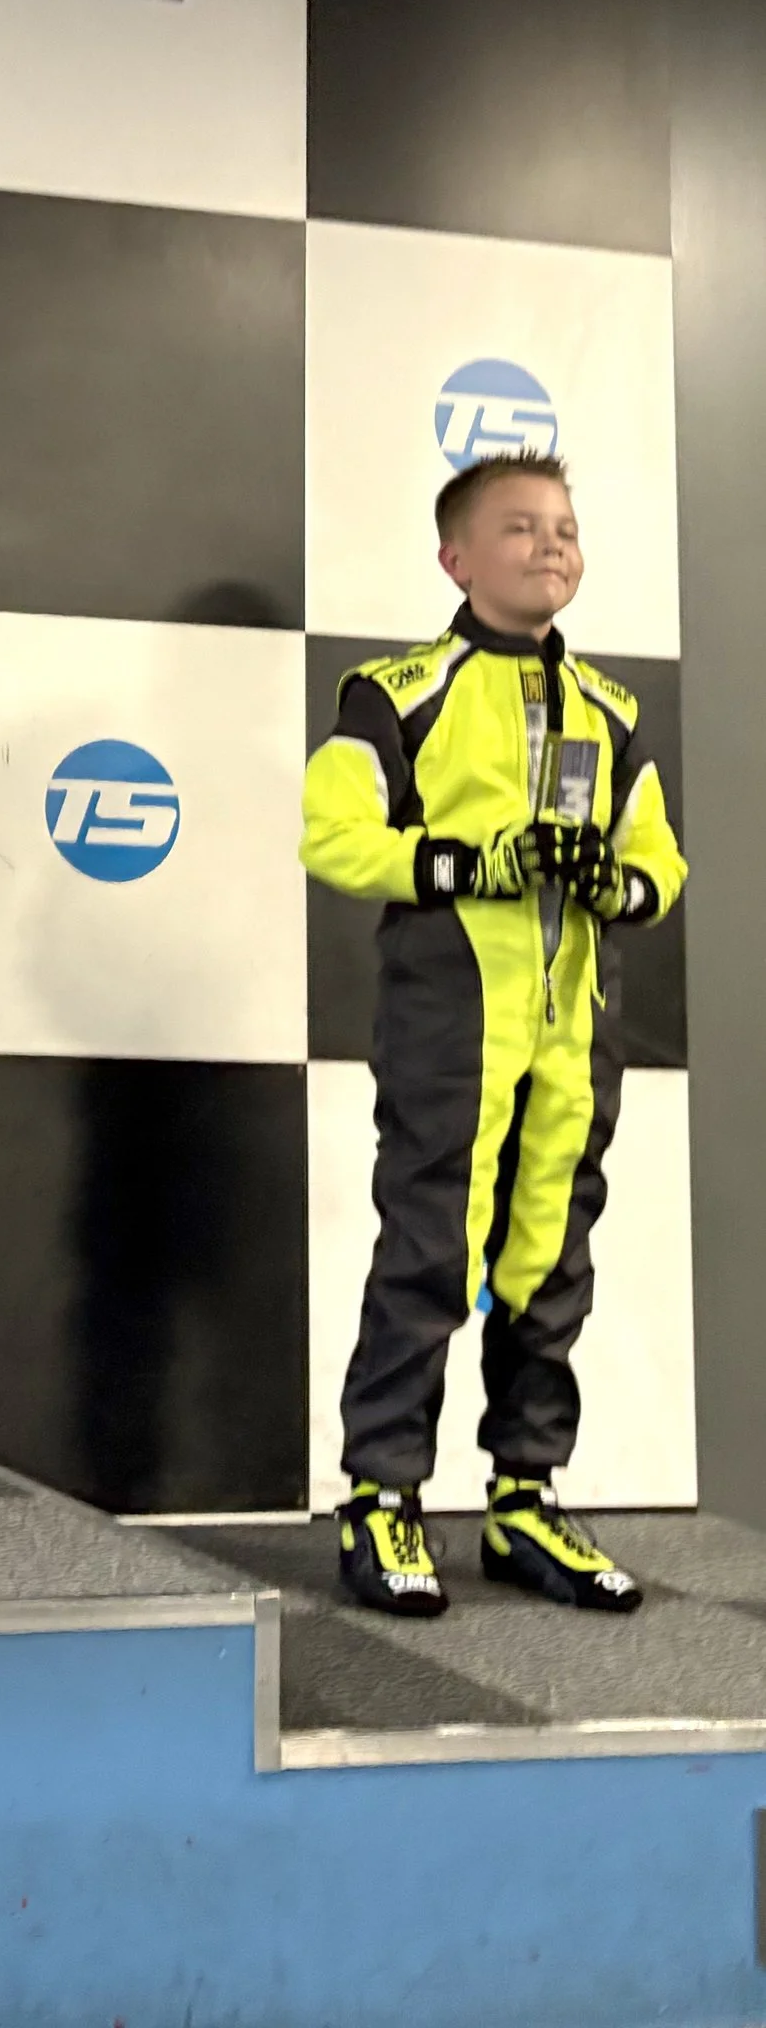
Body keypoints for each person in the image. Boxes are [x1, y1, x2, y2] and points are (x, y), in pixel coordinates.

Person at [302, 450, 684, 1619]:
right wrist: (464, 864)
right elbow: (332, 832)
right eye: (519, 527)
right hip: (451, 1024)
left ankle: (523, 1496)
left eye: (564, 526)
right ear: (454, 559)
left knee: (551, 1259)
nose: (550, 543)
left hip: (573, 1033)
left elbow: (659, 861)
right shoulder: (396, 690)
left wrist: (615, 886)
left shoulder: (612, 709)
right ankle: (382, 1497)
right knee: (428, 1251)